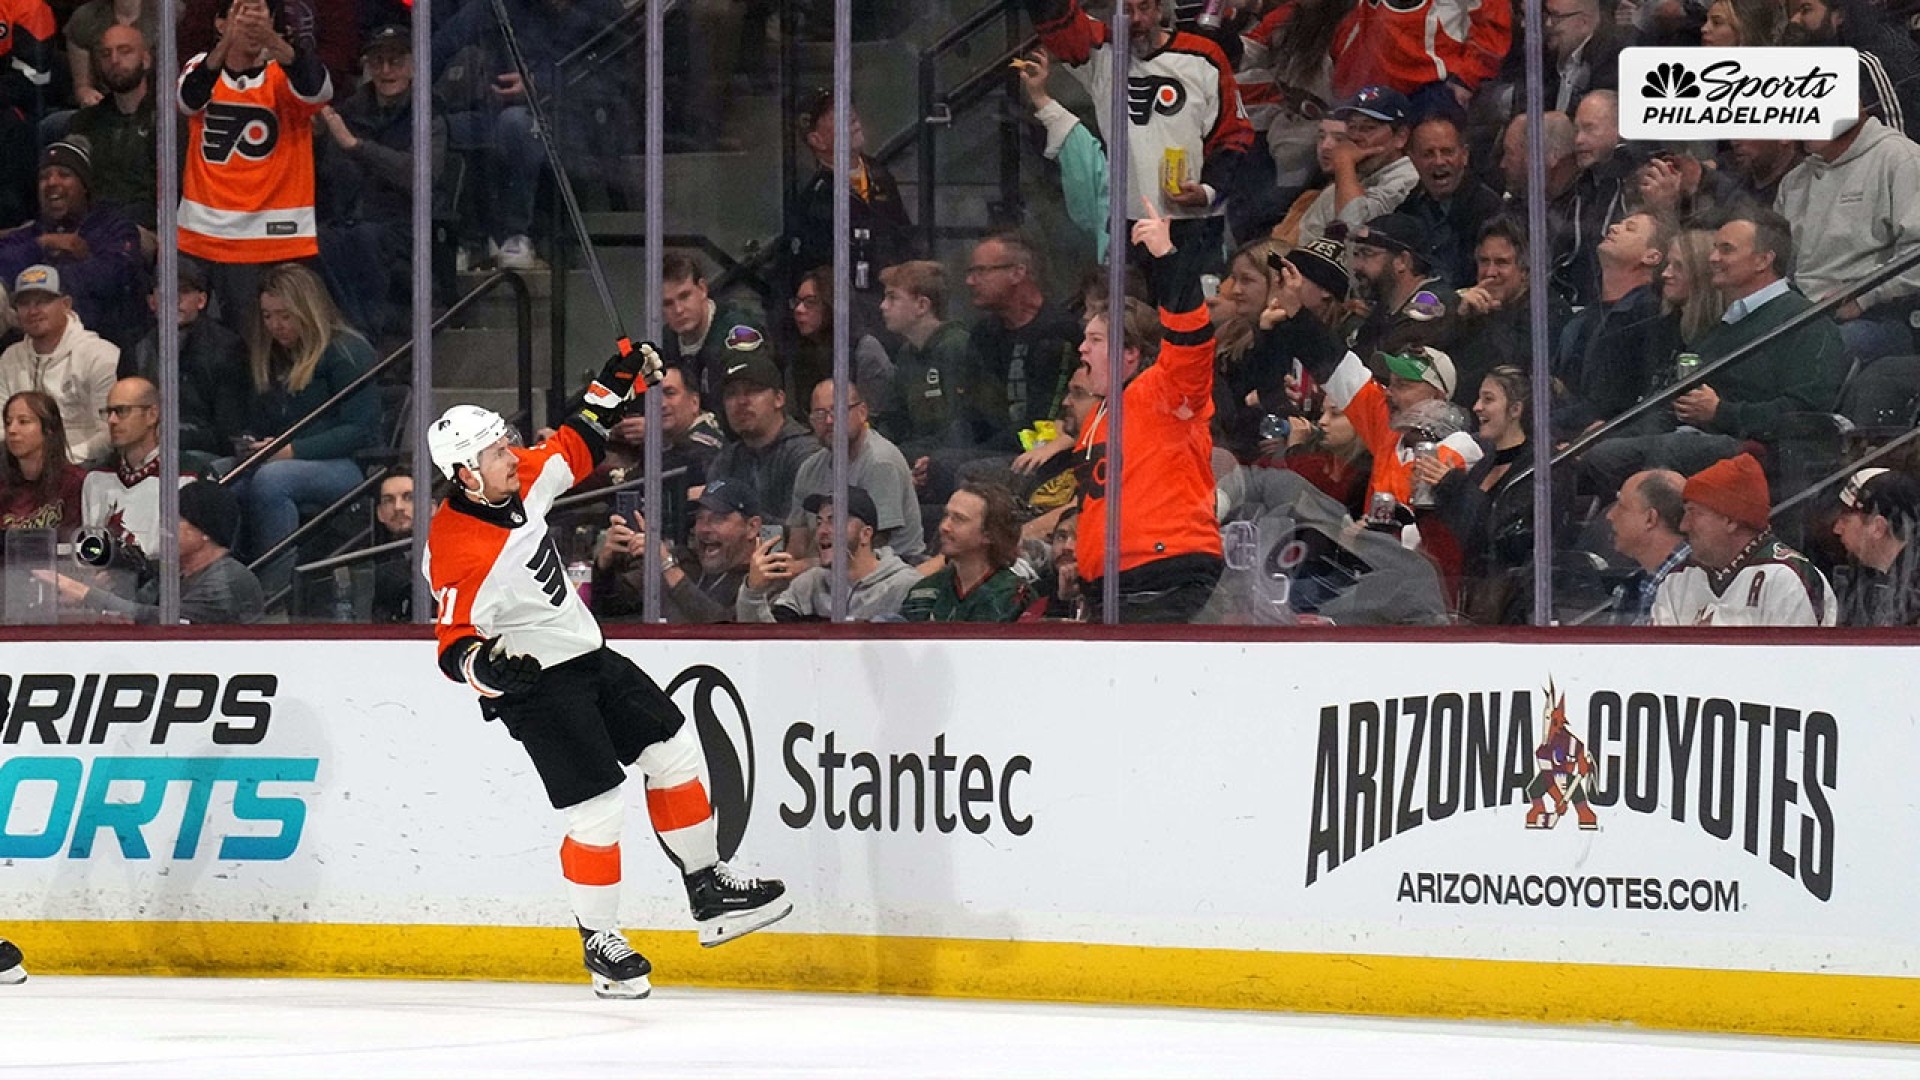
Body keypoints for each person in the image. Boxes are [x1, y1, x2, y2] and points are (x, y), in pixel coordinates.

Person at [423, 344, 789, 1000]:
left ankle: (707, 890)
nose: (512, 454)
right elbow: (452, 644)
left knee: (674, 749)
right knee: (596, 811)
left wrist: (617, 372)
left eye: (505, 445)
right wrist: (489, 670)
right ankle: (601, 943)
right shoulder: (457, 546)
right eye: (495, 453)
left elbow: (579, 439)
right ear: (464, 474)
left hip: (589, 656)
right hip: (538, 685)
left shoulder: (521, 476)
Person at [1584, 209, 1849, 493]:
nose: (1713, 259)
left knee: (1670, 451)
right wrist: (1605, 435)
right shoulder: (1722, 327)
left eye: (1726, 250)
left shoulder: (1806, 323)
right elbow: (1672, 405)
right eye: (1714, 249)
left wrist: (1720, 412)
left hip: (1758, 455)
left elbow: (1805, 413)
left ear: (1763, 260)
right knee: (1598, 455)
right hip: (1694, 439)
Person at [1023, 0, 1252, 287]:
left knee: (1188, 323)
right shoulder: (1101, 54)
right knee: (1130, 323)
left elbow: (1235, 136)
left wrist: (1207, 191)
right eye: (1126, 10)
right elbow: (1056, 18)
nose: (1136, 19)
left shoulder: (1203, 56)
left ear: (1160, 9)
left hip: (1193, 225)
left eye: (1144, 8)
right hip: (1127, 227)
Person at [1069, 202, 1225, 622]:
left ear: (1130, 355)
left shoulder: (1164, 391)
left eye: (1096, 340)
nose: (1082, 348)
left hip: (1164, 579)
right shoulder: (1097, 418)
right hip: (1113, 587)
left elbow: (1191, 340)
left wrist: (1168, 260)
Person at [221, 263, 380, 588]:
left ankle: (272, 593)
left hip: (352, 465)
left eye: (284, 315)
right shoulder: (275, 356)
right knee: (218, 476)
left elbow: (359, 428)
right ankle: (227, 587)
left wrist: (291, 450)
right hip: (286, 454)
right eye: (267, 316)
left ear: (307, 310)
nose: (275, 326)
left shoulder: (348, 352)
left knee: (271, 479)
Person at [178, 0, 332, 335]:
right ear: (220, 23)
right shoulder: (199, 67)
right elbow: (188, 100)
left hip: (277, 237)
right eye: (240, 16)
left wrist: (274, 41)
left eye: (260, 17)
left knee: (273, 345)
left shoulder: (285, 75)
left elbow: (318, 89)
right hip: (205, 234)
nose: (250, 27)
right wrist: (225, 43)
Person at [315, 24, 447, 339]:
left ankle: (366, 337)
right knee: (319, 240)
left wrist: (358, 148)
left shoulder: (430, 112)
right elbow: (333, 175)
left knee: (365, 239)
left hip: (405, 223)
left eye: (396, 61)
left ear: (414, 65)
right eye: (377, 62)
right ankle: (351, 333)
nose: (386, 71)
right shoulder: (349, 112)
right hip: (351, 218)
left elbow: (419, 175)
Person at [1775, 107, 1920, 362]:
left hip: (1881, 316)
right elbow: (1777, 265)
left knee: (1805, 357)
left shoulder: (1901, 158)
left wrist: (1866, 296)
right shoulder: (1793, 181)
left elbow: (1916, 257)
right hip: (1800, 314)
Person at [39, 478, 265, 624]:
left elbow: (164, 622)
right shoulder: (174, 573)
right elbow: (134, 610)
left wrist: (85, 592)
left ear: (205, 530)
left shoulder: (227, 580)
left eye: (177, 519)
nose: (165, 526)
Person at [1654, 453, 1835, 626]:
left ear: (1731, 520)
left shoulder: (1785, 578)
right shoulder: (1678, 580)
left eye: (1694, 513)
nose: (1683, 526)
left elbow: (1794, 657)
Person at [0, 137, 144, 352]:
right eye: (44, 177)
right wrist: (42, 244)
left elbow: (113, 275)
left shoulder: (113, 226)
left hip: (99, 341)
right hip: (28, 341)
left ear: (84, 186)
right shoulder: (34, 233)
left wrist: (44, 284)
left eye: (64, 175)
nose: (52, 183)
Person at [788, 87, 917, 313]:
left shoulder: (880, 175)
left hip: (896, 307)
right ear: (816, 140)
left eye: (848, 107)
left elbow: (903, 236)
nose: (851, 115)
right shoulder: (814, 202)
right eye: (835, 114)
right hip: (852, 316)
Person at [1551, 211, 1669, 442]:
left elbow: (1610, 401)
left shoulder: (1647, 314)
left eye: (1630, 228)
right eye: (1620, 223)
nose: (1614, 227)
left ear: (1652, 256)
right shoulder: (1583, 318)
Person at [125, 260, 250, 469]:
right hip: (148, 448)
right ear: (152, 302)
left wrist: (167, 437)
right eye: (165, 292)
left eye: (183, 292)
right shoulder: (136, 348)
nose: (174, 300)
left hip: (207, 456)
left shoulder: (228, 348)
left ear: (201, 300)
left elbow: (229, 433)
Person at [963, 233, 1082, 450]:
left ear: (1017, 272)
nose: (970, 281)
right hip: (984, 448)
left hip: (1036, 452)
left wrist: (974, 455)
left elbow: (1045, 422)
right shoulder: (983, 334)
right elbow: (972, 413)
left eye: (981, 271)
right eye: (971, 272)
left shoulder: (1057, 333)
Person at [789, 378, 925, 565]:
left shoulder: (880, 462)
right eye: (819, 415)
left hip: (890, 571)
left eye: (837, 411)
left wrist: (805, 568)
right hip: (826, 570)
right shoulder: (809, 468)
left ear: (862, 412)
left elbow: (871, 546)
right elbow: (798, 545)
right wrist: (785, 571)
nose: (829, 421)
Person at [736, 486, 919, 621]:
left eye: (834, 521)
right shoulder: (809, 584)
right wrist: (753, 593)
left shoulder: (903, 586)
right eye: (819, 521)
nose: (822, 531)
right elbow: (771, 647)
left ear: (865, 534)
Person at [596, 477, 759, 624]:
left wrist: (668, 566)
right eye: (699, 518)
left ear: (752, 527)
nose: (704, 528)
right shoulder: (683, 559)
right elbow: (612, 606)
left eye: (717, 519)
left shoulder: (762, 580)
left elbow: (726, 630)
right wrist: (605, 565)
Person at [0, 265, 119, 465]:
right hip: (21, 466)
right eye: (24, 303)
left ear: (66, 304)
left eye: (43, 301)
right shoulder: (10, 357)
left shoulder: (101, 355)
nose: (33, 311)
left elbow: (110, 431)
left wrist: (61, 460)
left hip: (84, 466)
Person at [1451, 217, 1570, 408]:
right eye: (1484, 261)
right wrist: (1458, 318)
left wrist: (1492, 317)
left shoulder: (1548, 312)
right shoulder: (1469, 305)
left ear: (1526, 271)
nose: (1490, 272)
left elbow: (1516, 374)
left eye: (1501, 262)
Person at [1294, 87, 1419, 245]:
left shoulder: (1410, 180)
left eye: (1368, 128)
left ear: (1401, 137)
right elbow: (1306, 242)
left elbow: (1351, 229)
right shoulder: (1343, 184)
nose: (1355, 137)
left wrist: (1345, 162)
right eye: (1352, 127)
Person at [658, 251, 770, 426]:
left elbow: (748, 411)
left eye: (684, 296)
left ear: (702, 289)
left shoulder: (738, 333)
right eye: (668, 303)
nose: (678, 310)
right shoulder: (665, 340)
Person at [1397, 113, 1506, 290]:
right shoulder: (1407, 209)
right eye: (1428, 154)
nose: (1439, 161)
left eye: (1447, 152)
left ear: (1464, 155)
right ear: (1412, 159)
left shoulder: (1489, 211)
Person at [68, 24, 157, 236]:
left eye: (125, 51)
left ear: (146, 59)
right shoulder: (84, 122)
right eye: (106, 54)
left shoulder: (168, 121)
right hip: (91, 229)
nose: (114, 61)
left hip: (146, 232)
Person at [704, 352, 816, 521]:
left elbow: (802, 531)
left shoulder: (806, 455)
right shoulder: (727, 460)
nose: (741, 401)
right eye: (731, 394)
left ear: (779, 399)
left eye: (753, 391)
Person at [899, 482, 1033, 622]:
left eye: (959, 519)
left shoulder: (1014, 596)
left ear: (990, 534)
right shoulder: (924, 590)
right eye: (946, 515)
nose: (944, 526)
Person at [783, 267, 895, 428]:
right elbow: (795, 419)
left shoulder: (864, 351)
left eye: (810, 302)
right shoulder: (798, 358)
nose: (799, 310)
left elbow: (874, 421)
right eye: (797, 302)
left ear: (832, 305)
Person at [878, 260, 971, 453]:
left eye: (892, 298)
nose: (883, 306)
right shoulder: (906, 353)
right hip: (915, 452)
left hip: (947, 456)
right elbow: (896, 418)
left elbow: (959, 426)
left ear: (922, 305)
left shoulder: (956, 347)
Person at [1347, 213, 1458, 365]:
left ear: (1402, 261)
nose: (1357, 265)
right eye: (1356, 254)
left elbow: (1379, 365)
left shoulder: (1432, 304)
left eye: (1367, 254)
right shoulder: (1385, 308)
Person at [78, 375, 162, 560]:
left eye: (122, 411)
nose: (112, 420)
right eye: (108, 412)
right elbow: (90, 552)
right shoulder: (95, 478)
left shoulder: (185, 476)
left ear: (152, 415)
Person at [1832, 467, 1920, 627]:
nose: (1837, 529)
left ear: (1878, 527)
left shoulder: (1912, 593)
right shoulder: (1861, 581)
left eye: (1845, 520)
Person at [1604, 468, 1691, 625]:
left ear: (1650, 518)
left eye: (1622, 507)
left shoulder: (1693, 585)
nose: (1610, 515)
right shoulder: (1632, 588)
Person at [0, 391, 84, 532]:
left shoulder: (74, 483)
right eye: (8, 422)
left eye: (23, 421)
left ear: (49, 429)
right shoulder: (3, 485)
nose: (12, 430)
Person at [1541, 0, 1622, 114]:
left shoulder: (1611, 60)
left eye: (1556, 16)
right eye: (1547, 14)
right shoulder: (1548, 57)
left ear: (1584, 22)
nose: (1548, 23)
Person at [369, 469, 414, 623]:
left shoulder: (452, 556)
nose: (398, 507)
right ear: (380, 513)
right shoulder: (368, 563)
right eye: (388, 500)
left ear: (431, 508)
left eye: (409, 497)